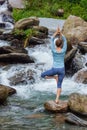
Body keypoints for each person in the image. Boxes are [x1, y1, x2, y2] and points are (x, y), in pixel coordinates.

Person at [41, 27, 67, 104]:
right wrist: (61, 33)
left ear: (56, 44)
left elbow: (52, 39)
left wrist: (56, 32)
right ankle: (57, 99)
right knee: (59, 85)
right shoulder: (64, 50)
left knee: (42, 75)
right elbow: (65, 40)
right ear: (61, 44)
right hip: (62, 69)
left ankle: (54, 77)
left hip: (54, 69)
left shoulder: (53, 50)